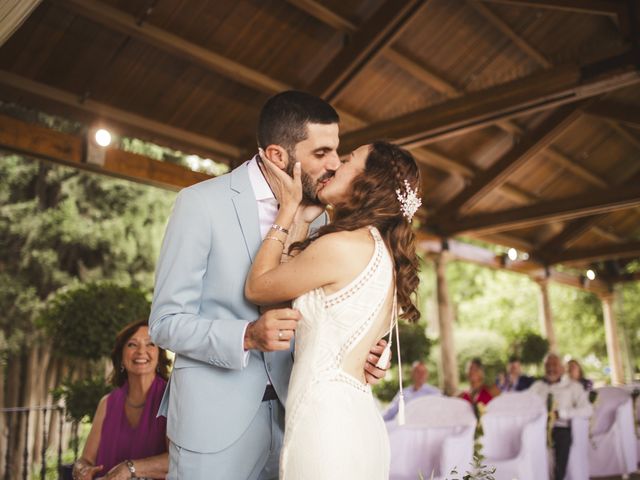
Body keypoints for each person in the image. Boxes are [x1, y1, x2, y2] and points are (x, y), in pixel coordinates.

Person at [149, 91, 389, 480]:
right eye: (322, 153)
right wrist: (245, 336)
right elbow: (165, 322)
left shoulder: (325, 222)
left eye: (338, 151)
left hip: (300, 420)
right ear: (279, 156)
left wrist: (361, 350)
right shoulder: (201, 204)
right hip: (213, 426)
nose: (334, 165)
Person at [244, 141, 422, 479]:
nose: (335, 164)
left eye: (349, 159)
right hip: (358, 418)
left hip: (325, 421)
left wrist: (288, 209)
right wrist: (303, 219)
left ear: (367, 181)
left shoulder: (342, 246)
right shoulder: (380, 252)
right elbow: (281, 295)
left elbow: (258, 287)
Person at [72, 320, 170, 480]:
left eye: (150, 344)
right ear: (121, 358)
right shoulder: (107, 403)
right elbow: (85, 460)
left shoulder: (172, 398)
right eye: (132, 344)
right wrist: (81, 469)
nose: (141, 351)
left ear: (159, 356)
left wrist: (129, 468)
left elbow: (179, 461)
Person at [530, 353, 592, 480]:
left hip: (561, 427)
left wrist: (562, 413)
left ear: (562, 368)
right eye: (547, 365)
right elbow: (526, 405)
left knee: (562, 440)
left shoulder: (574, 386)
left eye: (554, 365)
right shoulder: (537, 387)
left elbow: (587, 410)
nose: (551, 368)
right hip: (538, 428)